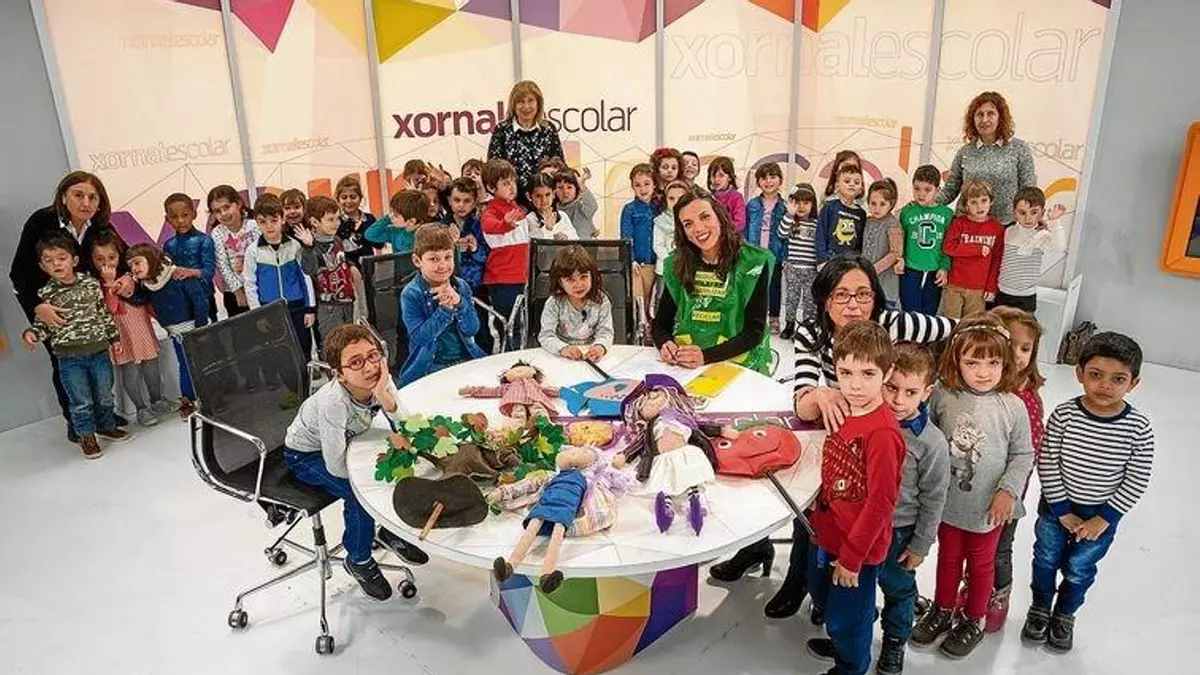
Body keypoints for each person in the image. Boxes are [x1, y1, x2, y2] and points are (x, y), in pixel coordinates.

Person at [711, 257, 954, 620]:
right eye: (841, 295)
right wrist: (820, 394)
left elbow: (955, 326)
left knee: (880, 523)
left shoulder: (891, 323)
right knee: (814, 504)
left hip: (883, 437)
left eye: (863, 294)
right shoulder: (813, 333)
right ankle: (804, 581)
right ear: (825, 300)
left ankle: (873, 602)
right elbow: (802, 401)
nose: (853, 305)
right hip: (839, 434)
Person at [911, 314, 1034, 660]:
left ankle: (973, 620)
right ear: (956, 360)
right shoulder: (943, 395)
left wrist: (1007, 491)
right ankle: (943, 609)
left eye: (993, 362)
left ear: (1005, 362)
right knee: (948, 558)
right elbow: (928, 439)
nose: (983, 372)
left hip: (988, 508)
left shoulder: (1013, 405)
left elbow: (1023, 454)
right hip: (948, 503)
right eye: (972, 362)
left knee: (981, 565)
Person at [1022, 332, 1153, 654]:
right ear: (1079, 374)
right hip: (1056, 509)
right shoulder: (1065, 415)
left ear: (1133, 383)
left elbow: (1137, 478)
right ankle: (1040, 607)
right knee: (1046, 558)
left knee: (1080, 568)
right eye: (1096, 375)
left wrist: (1104, 518)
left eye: (1118, 379)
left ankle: (1065, 614)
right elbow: (1048, 460)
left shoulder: (1139, 428)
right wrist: (1062, 509)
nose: (1105, 385)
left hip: (1100, 516)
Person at [284, 325, 428, 601]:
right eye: (356, 362)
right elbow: (336, 467)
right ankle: (359, 559)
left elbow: (408, 427)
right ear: (339, 374)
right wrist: (369, 472)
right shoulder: (334, 403)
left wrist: (385, 397)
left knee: (402, 463)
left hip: (347, 441)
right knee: (359, 493)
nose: (370, 367)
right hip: (305, 455)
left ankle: (389, 531)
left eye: (373, 355)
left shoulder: (379, 379)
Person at [801, 320, 905, 675]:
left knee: (848, 618)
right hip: (827, 533)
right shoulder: (842, 409)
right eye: (845, 373)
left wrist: (851, 558)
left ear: (886, 373)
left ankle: (851, 665)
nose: (855, 385)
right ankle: (843, 634)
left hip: (856, 549)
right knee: (825, 597)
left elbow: (880, 504)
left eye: (868, 374)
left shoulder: (883, 433)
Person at [10, 171, 133, 440]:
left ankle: (104, 419)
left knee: (98, 363)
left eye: (92, 197)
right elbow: (18, 273)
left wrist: (127, 276)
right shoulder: (41, 221)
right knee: (65, 363)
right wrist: (37, 307)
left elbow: (123, 258)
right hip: (51, 307)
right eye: (78, 195)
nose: (85, 202)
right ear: (64, 196)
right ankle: (77, 423)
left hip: (88, 307)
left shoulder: (100, 226)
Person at [875, 343, 950, 675]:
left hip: (900, 533)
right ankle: (854, 634)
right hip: (863, 528)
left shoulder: (932, 443)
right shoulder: (869, 421)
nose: (897, 400)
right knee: (861, 586)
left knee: (898, 589)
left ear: (927, 392)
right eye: (891, 387)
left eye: (910, 392)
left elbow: (934, 498)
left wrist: (920, 545)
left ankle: (895, 641)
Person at [21, 234, 127, 459]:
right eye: (49, 260)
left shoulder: (91, 284)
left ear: (74, 260)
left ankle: (106, 425)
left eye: (61, 258)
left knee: (104, 394)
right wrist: (32, 334)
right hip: (69, 358)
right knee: (81, 400)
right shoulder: (46, 294)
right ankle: (86, 436)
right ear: (42, 266)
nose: (56, 264)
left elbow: (103, 313)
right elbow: (43, 324)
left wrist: (114, 338)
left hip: (99, 352)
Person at [652, 189, 773, 375]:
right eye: (688, 224)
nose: (698, 228)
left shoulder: (753, 262)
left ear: (720, 217)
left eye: (705, 217)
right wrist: (664, 342)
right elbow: (661, 323)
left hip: (740, 364)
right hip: (688, 366)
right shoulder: (677, 264)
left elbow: (754, 332)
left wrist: (706, 356)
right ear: (683, 232)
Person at [986, 306, 1047, 631]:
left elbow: (1028, 454)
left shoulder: (1028, 399)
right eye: (1012, 345)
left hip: (1007, 493)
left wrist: (1009, 491)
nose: (1019, 355)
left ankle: (998, 597)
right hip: (974, 487)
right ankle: (972, 590)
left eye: (1026, 348)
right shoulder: (984, 387)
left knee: (999, 548)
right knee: (975, 546)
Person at [90, 230, 177, 427]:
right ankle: (141, 409)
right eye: (99, 259)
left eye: (111, 257)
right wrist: (109, 284)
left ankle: (158, 400)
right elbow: (111, 308)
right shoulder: (94, 284)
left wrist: (165, 322)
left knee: (152, 366)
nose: (106, 263)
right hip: (121, 334)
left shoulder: (131, 276)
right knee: (131, 372)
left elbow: (146, 301)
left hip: (142, 328)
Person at [126, 242, 211, 416]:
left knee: (204, 364)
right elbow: (140, 300)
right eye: (131, 265)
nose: (134, 268)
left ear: (150, 259)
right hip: (176, 333)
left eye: (137, 262)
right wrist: (126, 292)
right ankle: (189, 399)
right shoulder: (148, 286)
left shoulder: (178, 275)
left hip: (196, 330)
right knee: (185, 367)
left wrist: (200, 328)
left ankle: (213, 395)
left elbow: (200, 301)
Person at [398, 225, 486, 384]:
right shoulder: (411, 294)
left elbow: (472, 329)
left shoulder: (461, 286)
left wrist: (460, 303)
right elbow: (421, 338)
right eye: (434, 259)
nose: (443, 265)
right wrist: (445, 310)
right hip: (431, 366)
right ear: (417, 261)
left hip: (467, 358)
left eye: (448, 257)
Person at [939, 91, 1037, 224]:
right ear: (973, 120)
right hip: (966, 226)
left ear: (1000, 118)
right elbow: (950, 190)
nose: (984, 119)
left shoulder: (1019, 149)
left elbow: (1029, 192)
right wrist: (924, 204)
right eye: (979, 114)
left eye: (990, 113)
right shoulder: (965, 152)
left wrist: (1035, 217)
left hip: (1005, 226)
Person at [243, 194, 316, 357]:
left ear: (283, 219)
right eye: (263, 221)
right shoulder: (252, 251)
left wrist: (309, 309)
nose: (269, 226)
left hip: (297, 308)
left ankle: (305, 374)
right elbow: (250, 285)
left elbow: (306, 278)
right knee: (276, 355)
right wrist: (258, 314)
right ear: (257, 223)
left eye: (273, 220)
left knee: (303, 349)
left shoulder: (295, 246)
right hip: (269, 311)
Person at [294, 196, 359, 344]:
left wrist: (351, 265)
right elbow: (308, 270)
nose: (336, 223)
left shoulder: (336, 240)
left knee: (347, 343)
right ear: (315, 222)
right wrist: (309, 247)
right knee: (331, 344)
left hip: (347, 301)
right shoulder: (310, 247)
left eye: (337, 218)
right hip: (328, 307)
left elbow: (340, 260)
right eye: (331, 219)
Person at [487, 80, 564, 201]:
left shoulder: (549, 129)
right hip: (512, 202)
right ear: (513, 105)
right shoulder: (502, 130)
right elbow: (492, 170)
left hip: (544, 200)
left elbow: (560, 164)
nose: (526, 107)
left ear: (538, 103)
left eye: (530, 101)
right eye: (521, 102)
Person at [993, 186, 1067, 313]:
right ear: (1014, 213)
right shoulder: (1008, 231)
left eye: (1034, 212)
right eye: (1022, 213)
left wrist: (1055, 222)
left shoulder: (1043, 235)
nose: (1028, 218)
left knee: (1024, 326)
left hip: (1026, 296)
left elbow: (1060, 247)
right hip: (1002, 292)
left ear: (1042, 213)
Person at [940, 179, 1005, 318]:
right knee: (950, 323)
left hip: (978, 289)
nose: (979, 206)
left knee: (972, 324)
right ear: (966, 205)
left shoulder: (997, 228)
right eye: (974, 202)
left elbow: (997, 260)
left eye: (984, 200)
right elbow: (948, 247)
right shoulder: (959, 223)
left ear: (991, 201)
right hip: (954, 285)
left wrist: (991, 286)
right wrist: (976, 249)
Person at [538, 245, 614, 361]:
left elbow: (606, 332)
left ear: (592, 277)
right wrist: (563, 348)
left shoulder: (601, 300)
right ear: (560, 282)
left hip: (591, 355)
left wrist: (600, 346)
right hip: (562, 356)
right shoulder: (554, 303)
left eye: (583, 277)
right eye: (570, 279)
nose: (578, 284)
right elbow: (546, 335)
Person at [897, 165, 953, 314]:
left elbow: (949, 244)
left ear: (938, 190)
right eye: (917, 189)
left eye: (928, 190)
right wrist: (899, 258)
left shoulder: (947, 214)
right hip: (910, 270)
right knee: (910, 313)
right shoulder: (907, 212)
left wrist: (945, 267)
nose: (921, 194)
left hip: (935, 271)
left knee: (929, 314)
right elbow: (900, 240)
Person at [479, 158, 529, 323]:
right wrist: (505, 224)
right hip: (503, 278)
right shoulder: (491, 210)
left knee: (521, 323)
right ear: (491, 187)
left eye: (513, 181)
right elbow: (489, 225)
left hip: (521, 276)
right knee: (509, 324)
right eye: (506, 183)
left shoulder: (515, 207)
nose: (512, 187)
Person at [163, 193, 217, 323]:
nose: (180, 220)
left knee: (211, 331)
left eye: (185, 215)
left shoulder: (204, 240)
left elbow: (209, 271)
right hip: (182, 300)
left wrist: (190, 272)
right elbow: (168, 273)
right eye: (174, 217)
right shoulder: (169, 245)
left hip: (206, 296)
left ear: (194, 214)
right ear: (167, 219)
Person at [746, 162, 787, 333]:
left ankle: (774, 318)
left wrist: (785, 256)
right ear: (758, 182)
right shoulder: (752, 205)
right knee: (754, 286)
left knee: (774, 286)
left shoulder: (785, 206)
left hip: (775, 254)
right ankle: (755, 318)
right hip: (755, 252)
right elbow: (746, 229)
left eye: (772, 177)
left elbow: (788, 234)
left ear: (780, 180)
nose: (768, 181)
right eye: (764, 178)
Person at [208, 184, 259, 319]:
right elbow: (222, 265)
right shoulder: (217, 233)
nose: (223, 213)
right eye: (217, 211)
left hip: (258, 285)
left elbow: (261, 255)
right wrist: (238, 291)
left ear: (239, 203)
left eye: (226, 207)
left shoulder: (254, 225)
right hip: (234, 293)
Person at [778, 183, 820, 340]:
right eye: (797, 203)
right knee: (791, 298)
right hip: (793, 268)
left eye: (806, 203)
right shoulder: (790, 221)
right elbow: (781, 233)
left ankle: (807, 328)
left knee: (810, 300)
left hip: (811, 269)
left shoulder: (817, 223)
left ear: (813, 204)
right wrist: (789, 214)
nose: (801, 206)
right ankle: (789, 325)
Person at [622, 163, 658, 332]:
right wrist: (631, 259)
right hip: (638, 264)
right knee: (639, 301)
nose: (642, 189)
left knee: (653, 301)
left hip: (657, 263)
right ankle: (639, 332)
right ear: (632, 186)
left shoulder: (659, 208)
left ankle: (653, 331)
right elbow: (626, 236)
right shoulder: (629, 209)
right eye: (637, 185)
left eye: (646, 184)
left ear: (654, 184)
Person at [861, 179, 903, 308]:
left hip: (886, 285)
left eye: (882, 204)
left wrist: (873, 269)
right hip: (867, 281)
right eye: (873, 203)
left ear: (891, 204)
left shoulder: (892, 224)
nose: (877, 208)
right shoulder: (867, 221)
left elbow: (895, 253)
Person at [443, 177, 489, 293]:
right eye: (457, 200)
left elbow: (488, 256)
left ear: (474, 202)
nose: (461, 205)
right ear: (449, 201)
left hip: (477, 287)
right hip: (449, 286)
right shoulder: (441, 227)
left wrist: (475, 248)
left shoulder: (480, 225)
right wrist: (450, 244)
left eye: (467, 201)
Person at [816, 163, 867, 263]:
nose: (852, 184)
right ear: (837, 185)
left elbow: (861, 241)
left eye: (856, 182)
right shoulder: (829, 207)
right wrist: (822, 259)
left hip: (852, 262)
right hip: (830, 260)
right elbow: (820, 234)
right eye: (847, 181)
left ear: (861, 188)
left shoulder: (862, 214)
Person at [653, 180, 689, 312]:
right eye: (671, 198)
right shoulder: (660, 221)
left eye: (680, 198)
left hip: (686, 268)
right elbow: (657, 245)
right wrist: (671, 260)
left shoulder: (691, 220)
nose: (676, 202)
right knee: (662, 298)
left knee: (683, 298)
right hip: (665, 268)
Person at [364, 189, 428, 255]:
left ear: (412, 221)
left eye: (395, 216)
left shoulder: (426, 235)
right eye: (391, 212)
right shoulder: (394, 231)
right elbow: (370, 235)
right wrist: (387, 218)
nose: (391, 216)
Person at [334, 174, 377, 262]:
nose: (349, 201)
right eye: (344, 197)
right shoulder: (335, 222)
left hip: (369, 266)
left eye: (353, 197)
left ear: (360, 198)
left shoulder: (369, 219)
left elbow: (379, 245)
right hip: (346, 268)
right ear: (338, 199)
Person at [523, 173, 577, 240]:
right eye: (538, 196)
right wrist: (548, 229)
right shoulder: (529, 220)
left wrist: (566, 238)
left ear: (554, 194)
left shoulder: (563, 216)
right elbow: (535, 243)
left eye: (547, 194)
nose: (544, 200)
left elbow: (575, 238)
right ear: (529, 196)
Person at [554, 168, 598, 239]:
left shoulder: (581, 206)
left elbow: (592, 206)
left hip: (584, 245)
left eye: (569, 187)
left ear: (577, 189)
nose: (565, 191)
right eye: (560, 187)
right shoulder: (554, 209)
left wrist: (582, 185)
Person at [707, 156, 746, 234]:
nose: (716, 179)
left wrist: (722, 230)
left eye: (721, 175)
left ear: (730, 177)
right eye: (713, 176)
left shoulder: (736, 197)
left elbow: (740, 223)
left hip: (730, 237)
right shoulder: (708, 198)